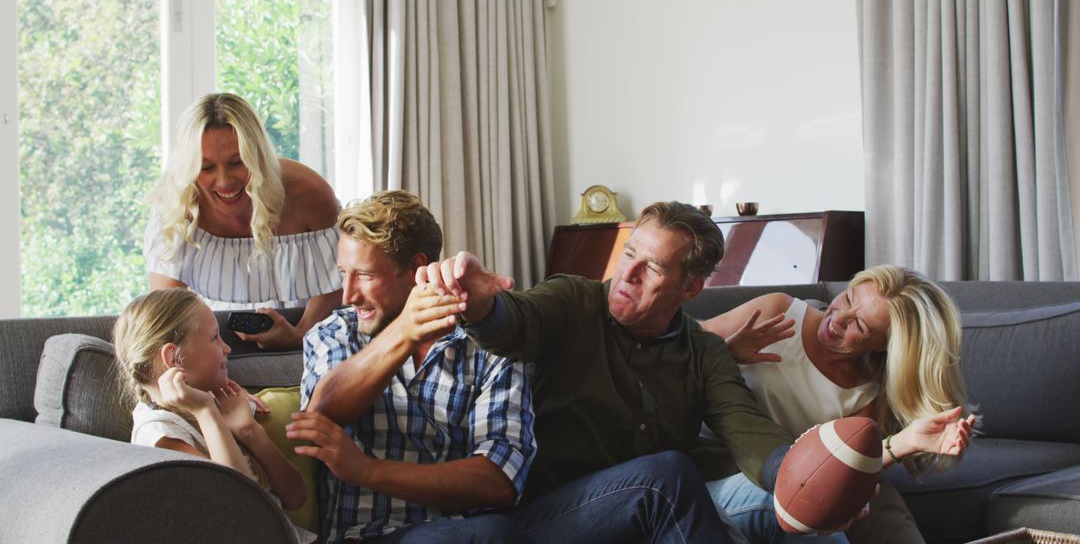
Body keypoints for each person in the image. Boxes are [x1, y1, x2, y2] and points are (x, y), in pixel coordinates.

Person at [419, 201, 832, 543]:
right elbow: (515, 322)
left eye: (652, 268)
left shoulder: (704, 352)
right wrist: (476, 302)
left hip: (638, 518)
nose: (627, 276)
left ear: (690, 288)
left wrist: (813, 479)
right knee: (664, 477)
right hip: (545, 518)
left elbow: (748, 429)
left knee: (807, 522)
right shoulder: (573, 300)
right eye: (629, 253)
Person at [288, 191, 536, 543]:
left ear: (416, 268)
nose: (348, 295)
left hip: (468, 531)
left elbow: (499, 480)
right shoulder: (335, 333)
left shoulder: (488, 344)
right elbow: (322, 414)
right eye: (344, 273)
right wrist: (404, 331)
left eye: (365, 275)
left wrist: (367, 470)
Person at [699, 264, 976, 544]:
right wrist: (726, 351)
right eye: (848, 298)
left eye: (859, 325)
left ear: (882, 345)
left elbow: (844, 468)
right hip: (723, 461)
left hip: (793, 475)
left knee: (876, 499)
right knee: (836, 506)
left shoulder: (865, 395)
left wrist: (906, 442)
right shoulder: (780, 311)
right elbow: (682, 343)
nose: (838, 319)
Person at [112, 288, 313, 542]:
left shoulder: (222, 400)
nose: (227, 348)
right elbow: (241, 511)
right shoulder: (159, 434)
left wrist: (250, 432)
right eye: (215, 338)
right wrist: (206, 413)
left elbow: (296, 497)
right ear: (173, 357)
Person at [145, 93, 341, 350]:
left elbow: (340, 275)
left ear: (258, 156)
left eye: (238, 163)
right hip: (210, 349)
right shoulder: (175, 205)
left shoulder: (308, 192)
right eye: (206, 168)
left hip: (310, 341)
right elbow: (167, 315)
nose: (225, 181)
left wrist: (300, 334)